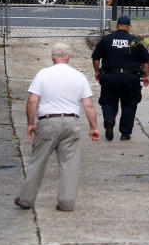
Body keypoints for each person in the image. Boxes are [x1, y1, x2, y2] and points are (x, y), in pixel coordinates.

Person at [15, 43, 100, 211]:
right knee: (69, 164)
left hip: (48, 121)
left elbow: (32, 101)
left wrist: (31, 123)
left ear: (52, 57)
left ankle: (26, 199)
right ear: (69, 57)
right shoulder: (79, 76)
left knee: (38, 161)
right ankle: (67, 202)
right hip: (71, 122)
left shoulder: (43, 75)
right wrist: (94, 127)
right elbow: (88, 105)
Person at [91, 14, 149, 141]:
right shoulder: (135, 41)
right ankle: (125, 133)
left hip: (110, 76)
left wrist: (97, 71)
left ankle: (109, 119)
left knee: (108, 101)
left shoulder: (106, 40)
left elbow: (96, 57)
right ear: (129, 27)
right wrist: (146, 76)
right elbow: (146, 61)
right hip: (130, 78)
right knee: (129, 104)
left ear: (117, 26)